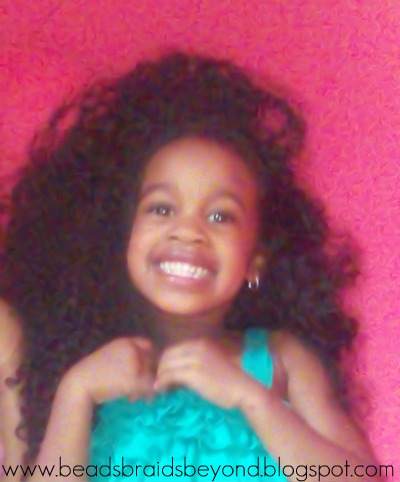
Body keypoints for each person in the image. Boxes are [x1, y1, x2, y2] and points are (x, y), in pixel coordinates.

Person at [0, 51, 380, 481]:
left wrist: (252, 399)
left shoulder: (278, 360)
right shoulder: (94, 367)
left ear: (255, 261)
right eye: (162, 209)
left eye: (220, 216)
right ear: (122, 242)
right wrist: (76, 392)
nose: (188, 231)